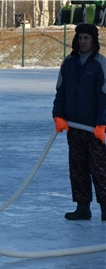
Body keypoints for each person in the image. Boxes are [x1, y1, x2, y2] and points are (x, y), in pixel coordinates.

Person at [53, 23, 106, 221]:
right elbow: (61, 91)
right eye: (81, 38)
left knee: (100, 169)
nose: (83, 42)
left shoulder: (101, 64)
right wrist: (58, 115)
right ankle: (82, 207)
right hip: (74, 127)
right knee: (78, 168)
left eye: (87, 38)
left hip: (94, 128)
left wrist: (102, 122)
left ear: (93, 41)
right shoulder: (68, 63)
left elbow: (104, 96)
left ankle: (105, 208)